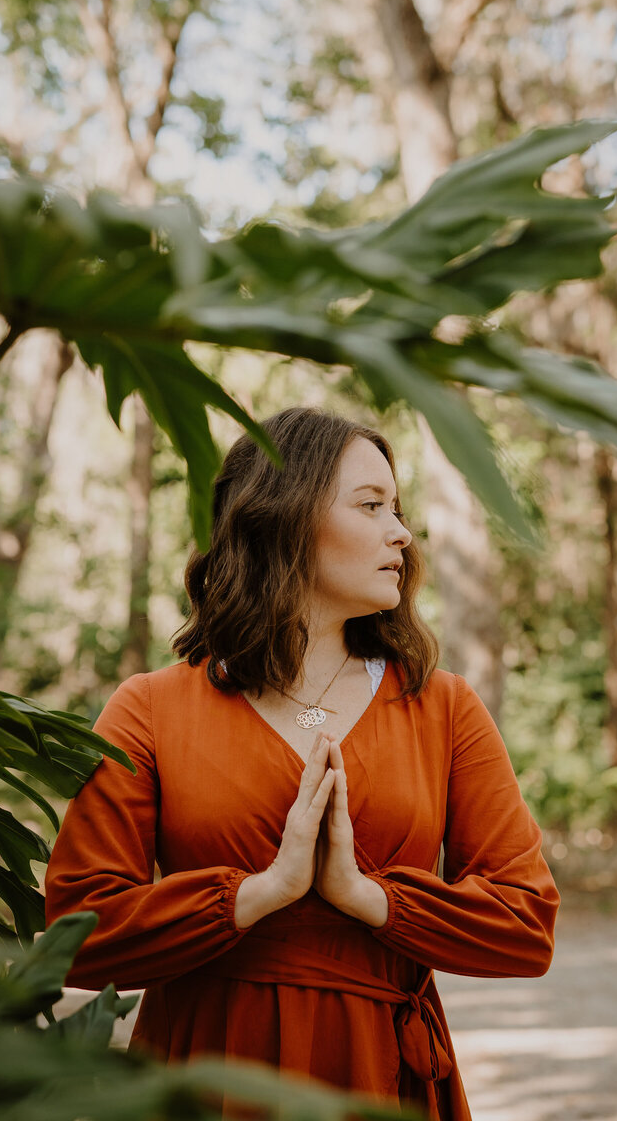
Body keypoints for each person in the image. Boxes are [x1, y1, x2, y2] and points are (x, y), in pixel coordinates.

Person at [45, 407, 559, 1121]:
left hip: (383, 1078)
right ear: (284, 516)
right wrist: (256, 894)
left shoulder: (443, 707)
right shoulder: (150, 709)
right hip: (206, 1074)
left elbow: (526, 922)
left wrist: (367, 896)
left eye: (398, 508)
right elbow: (78, 928)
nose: (401, 533)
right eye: (371, 506)